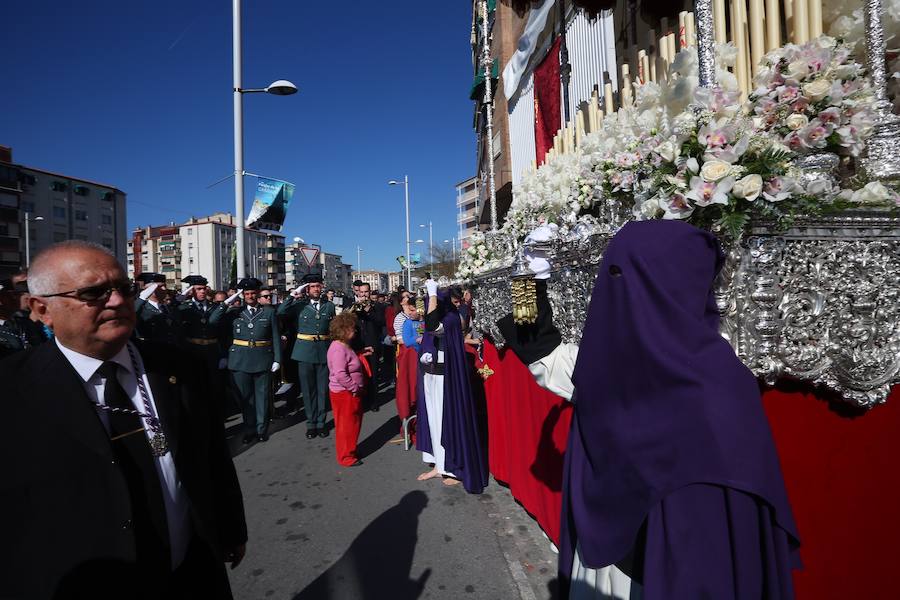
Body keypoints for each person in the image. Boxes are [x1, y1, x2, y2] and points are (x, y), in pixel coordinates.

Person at [499, 220, 800, 599]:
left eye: (617, 275)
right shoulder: (610, 367)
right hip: (604, 568)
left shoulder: (716, 395)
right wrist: (527, 280)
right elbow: (541, 349)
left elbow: (712, 556)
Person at [0, 240, 247, 599]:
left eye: (123, 288)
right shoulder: (12, 390)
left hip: (192, 572)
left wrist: (231, 529)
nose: (117, 301)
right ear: (42, 309)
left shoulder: (178, 366)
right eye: (94, 293)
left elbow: (212, 458)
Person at [416, 279, 489, 493]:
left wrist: (431, 294)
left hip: (444, 379)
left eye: (434, 301)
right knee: (434, 421)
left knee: (446, 420)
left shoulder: (449, 319)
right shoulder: (444, 318)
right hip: (431, 375)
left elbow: (430, 323)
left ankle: (454, 467)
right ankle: (440, 464)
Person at [219, 277, 282, 443]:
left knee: (262, 398)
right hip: (240, 361)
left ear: (257, 294)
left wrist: (278, 359)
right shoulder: (234, 312)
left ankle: (261, 429)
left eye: (253, 293)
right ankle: (249, 429)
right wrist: (228, 301)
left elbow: (275, 336)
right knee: (246, 399)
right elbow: (213, 320)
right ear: (242, 295)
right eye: (246, 293)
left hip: (263, 359)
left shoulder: (268, 312)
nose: (250, 296)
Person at [278, 273, 336, 439]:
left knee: (322, 390)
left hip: (324, 350)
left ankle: (321, 422)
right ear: (306, 288)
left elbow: (332, 329)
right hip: (304, 351)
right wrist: (292, 295)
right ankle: (311, 423)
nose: (316, 289)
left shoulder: (329, 306)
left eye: (318, 286)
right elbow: (280, 312)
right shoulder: (298, 305)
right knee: (308, 390)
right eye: (312, 286)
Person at [326, 312, 369, 467]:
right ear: (342, 329)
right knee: (347, 425)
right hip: (346, 393)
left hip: (347, 392)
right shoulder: (338, 348)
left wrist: (360, 354)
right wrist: (354, 388)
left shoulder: (342, 345)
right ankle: (346, 457)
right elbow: (340, 374)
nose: (354, 331)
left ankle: (350, 450)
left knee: (351, 424)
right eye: (351, 328)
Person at [348, 281, 386, 412]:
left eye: (366, 292)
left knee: (373, 375)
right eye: (361, 292)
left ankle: (374, 402)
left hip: (373, 345)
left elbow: (381, 323)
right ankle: (361, 402)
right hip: (358, 345)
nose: (364, 295)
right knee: (359, 375)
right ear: (358, 292)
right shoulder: (353, 306)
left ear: (370, 293)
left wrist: (369, 312)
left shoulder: (377, 307)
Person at [134, 272, 180, 345]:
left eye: (165, 286)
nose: (164, 289)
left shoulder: (167, 308)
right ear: (149, 289)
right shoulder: (142, 309)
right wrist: (142, 298)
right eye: (160, 286)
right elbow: (132, 314)